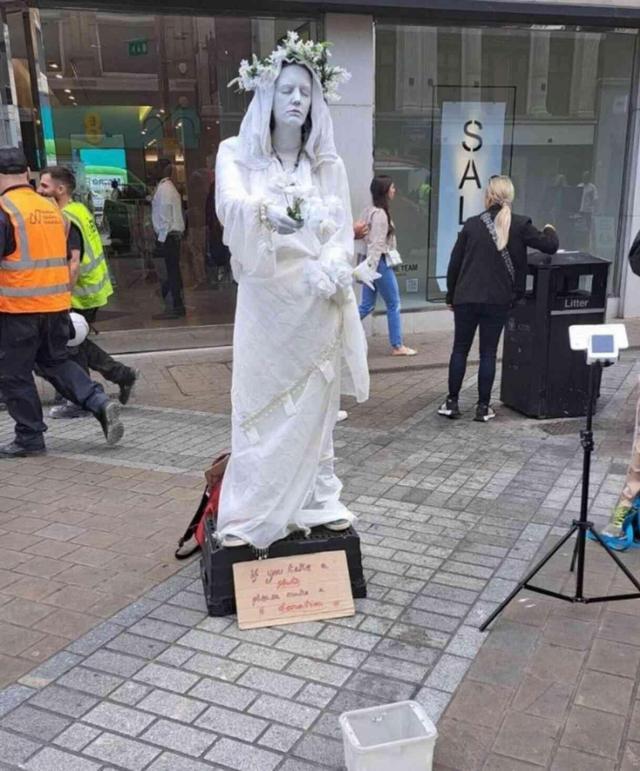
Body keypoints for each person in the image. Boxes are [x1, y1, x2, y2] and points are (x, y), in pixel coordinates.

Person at [214, 31, 369, 549]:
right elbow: (229, 205)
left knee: (315, 408)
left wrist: (331, 268)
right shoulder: (235, 153)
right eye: (287, 90)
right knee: (260, 401)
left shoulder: (327, 165)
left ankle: (317, 497)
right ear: (267, 95)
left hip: (314, 303)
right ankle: (256, 504)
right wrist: (262, 213)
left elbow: (342, 234)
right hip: (265, 304)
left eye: (306, 91)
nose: (298, 99)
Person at [0, 147, 124, 457]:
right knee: (55, 362)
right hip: (55, 305)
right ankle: (97, 401)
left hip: (18, 309)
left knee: (15, 375)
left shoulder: (5, 210)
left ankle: (29, 437)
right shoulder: (52, 209)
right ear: (27, 171)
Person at [439, 174, 559, 422]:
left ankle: (452, 403)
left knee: (460, 349)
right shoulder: (520, 224)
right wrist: (549, 228)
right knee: (488, 353)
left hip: (467, 297)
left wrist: (451, 294)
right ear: (510, 197)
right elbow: (550, 245)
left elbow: (454, 264)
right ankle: (483, 408)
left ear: (488, 196)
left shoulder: (472, 225)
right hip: (498, 299)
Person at [37, 167, 138, 419]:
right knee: (77, 342)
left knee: (70, 344)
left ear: (60, 190)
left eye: (44, 186)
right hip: (90, 289)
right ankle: (121, 375)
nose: (39, 190)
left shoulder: (66, 216)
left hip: (78, 292)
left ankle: (79, 400)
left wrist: (62, 297)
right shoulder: (79, 209)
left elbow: (73, 262)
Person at [358, 175, 416, 357]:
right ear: (384, 191)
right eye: (392, 187)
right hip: (379, 263)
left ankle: (337, 328)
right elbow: (376, 244)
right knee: (393, 303)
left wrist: (367, 267)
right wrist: (371, 268)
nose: (394, 190)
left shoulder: (368, 211)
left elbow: (364, 238)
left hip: (372, 263)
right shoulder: (381, 215)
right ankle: (397, 346)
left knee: (367, 305)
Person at [152, 159, 185, 320]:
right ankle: (176, 305)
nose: (155, 170)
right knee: (173, 272)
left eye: (158, 167)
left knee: (168, 273)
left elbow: (165, 217)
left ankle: (173, 306)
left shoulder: (164, 189)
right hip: (172, 236)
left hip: (168, 237)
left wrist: (161, 239)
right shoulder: (168, 188)